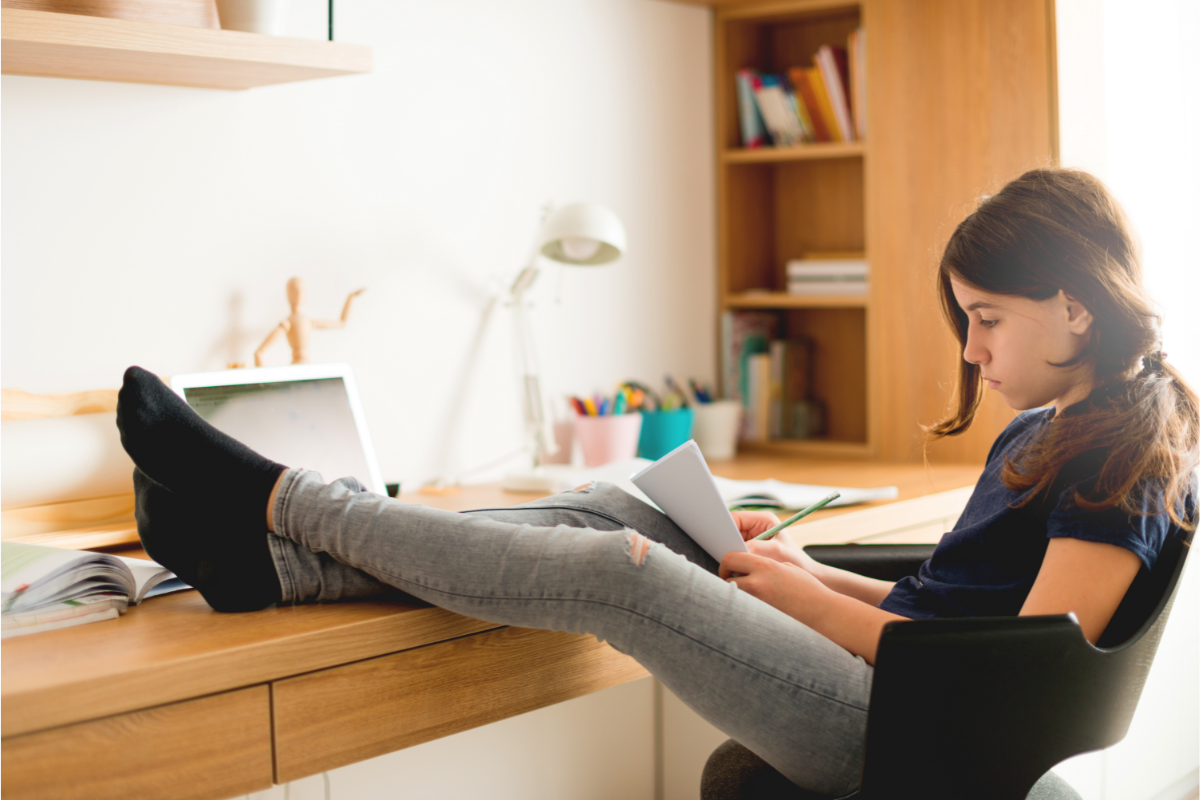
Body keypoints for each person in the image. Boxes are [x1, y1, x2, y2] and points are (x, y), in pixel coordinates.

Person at [117, 168, 1196, 798]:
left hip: (919, 734)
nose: (969, 349)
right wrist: (808, 571)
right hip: (913, 686)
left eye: (988, 319)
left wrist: (809, 599)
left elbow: (1019, 665)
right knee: (628, 510)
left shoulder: (1123, 455)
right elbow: (962, 608)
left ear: (1077, 306)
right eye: (966, 319)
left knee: (621, 569)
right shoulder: (1067, 426)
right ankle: (287, 563)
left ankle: (279, 498)